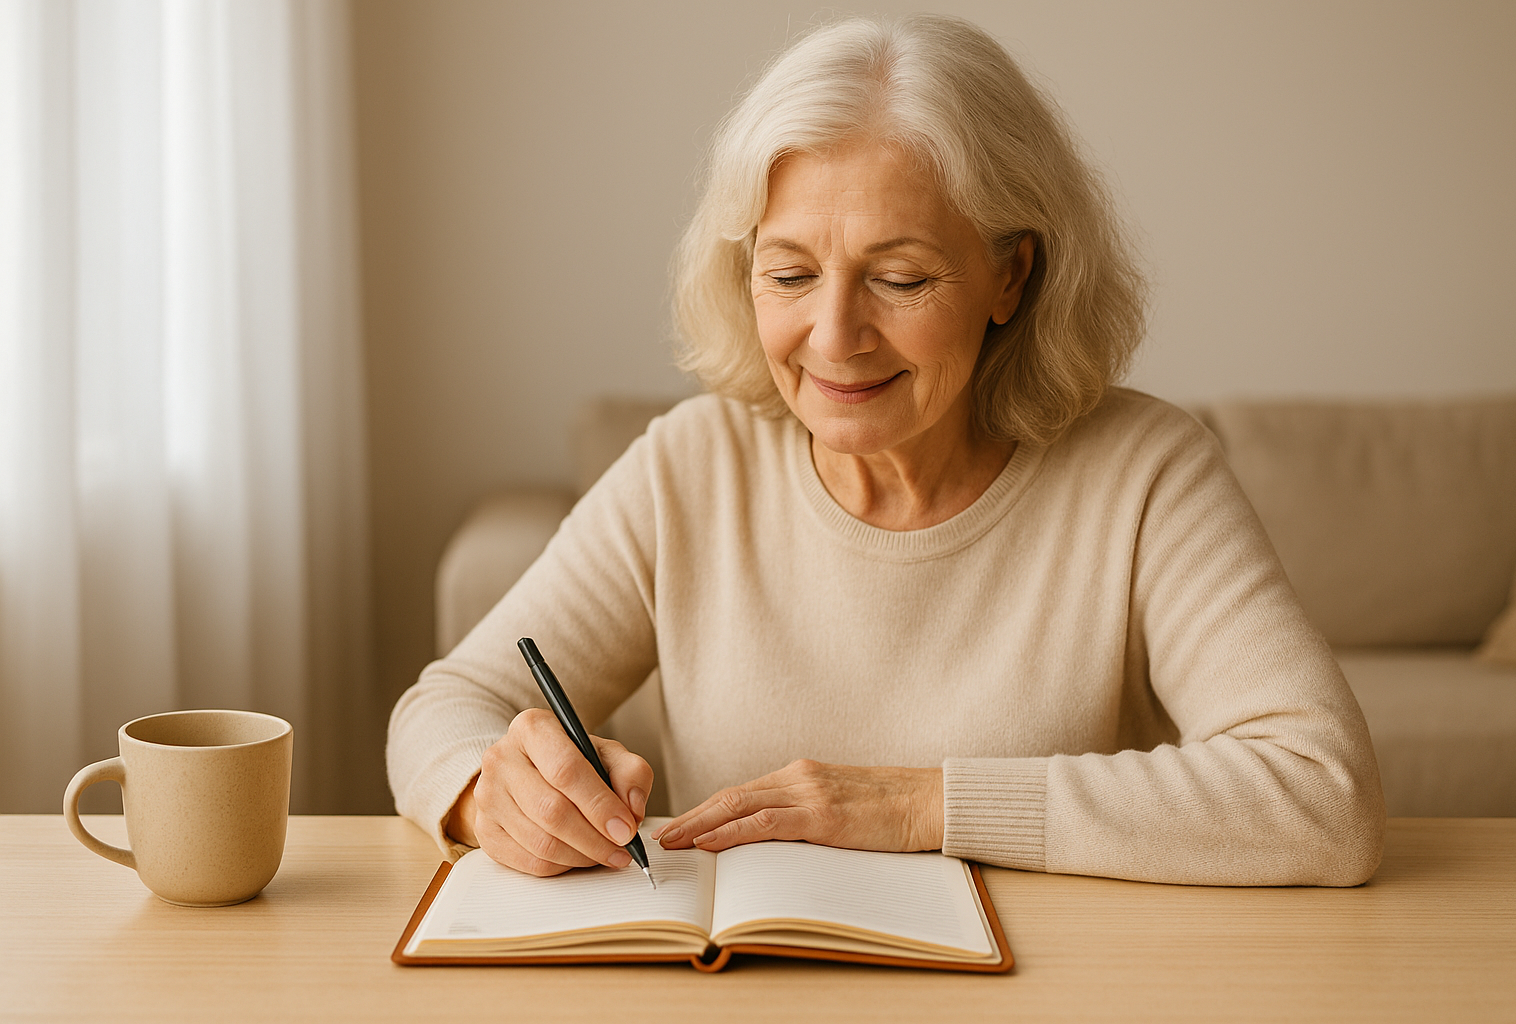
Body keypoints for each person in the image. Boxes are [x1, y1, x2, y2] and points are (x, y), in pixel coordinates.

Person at [386, 14, 1385, 886]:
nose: (833, 335)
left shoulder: (1145, 473)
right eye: (788, 274)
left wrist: (918, 809)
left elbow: (1322, 793)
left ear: (1011, 277)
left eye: (899, 279)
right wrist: (493, 792)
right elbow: (448, 706)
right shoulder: (692, 468)